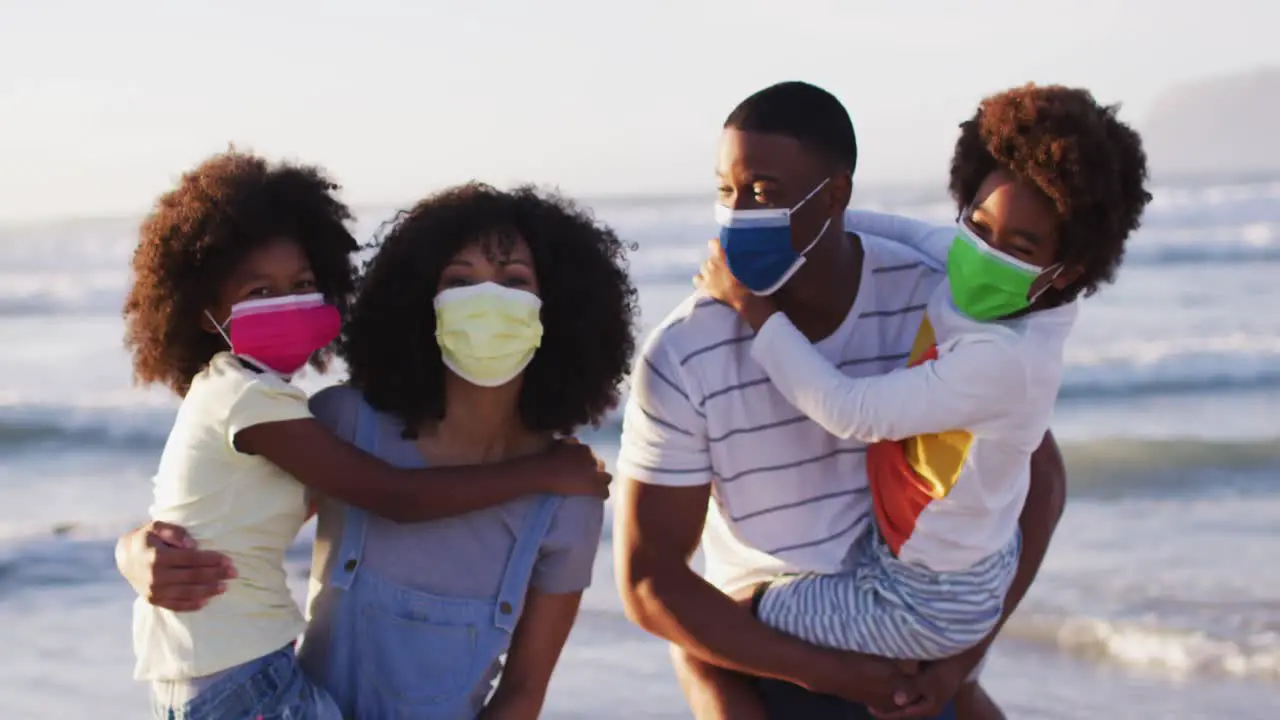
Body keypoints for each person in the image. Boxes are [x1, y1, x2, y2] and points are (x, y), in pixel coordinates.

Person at [613, 81, 1068, 720]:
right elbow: (648, 580)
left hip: (914, 671)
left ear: (835, 195)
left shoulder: (937, 304)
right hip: (778, 671)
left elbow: (1037, 478)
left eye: (764, 193)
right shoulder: (686, 352)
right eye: (726, 192)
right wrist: (838, 677)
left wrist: (962, 664)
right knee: (700, 652)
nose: (738, 215)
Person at [117, 164, 630, 718]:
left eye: (514, 281)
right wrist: (136, 553)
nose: (488, 299)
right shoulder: (345, 423)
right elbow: (227, 509)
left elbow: (523, 693)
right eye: (460, 281)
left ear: (560, 306)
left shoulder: (567, 503)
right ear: (420, 299)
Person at [691, 82, 1152, 697]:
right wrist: (813, 219)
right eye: (977, 225)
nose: (982, 251)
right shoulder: (986, 269)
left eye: (1017, 246)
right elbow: (914, 235)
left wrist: (754, 310)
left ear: (1066, 271)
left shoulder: (1004, 360)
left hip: (920, 602)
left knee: (723, 624)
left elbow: (849, 411)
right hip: (969, 559)